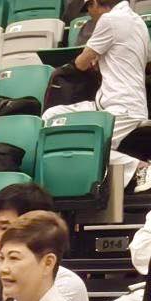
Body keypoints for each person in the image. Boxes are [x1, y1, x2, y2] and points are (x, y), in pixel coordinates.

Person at [44, 0, 151, 193]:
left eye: (88, 8)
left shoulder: (109, 20)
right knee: (52, 116)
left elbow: (82, 63)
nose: (88, 13)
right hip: (105, 104)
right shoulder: (138, 22)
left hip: (123, 107)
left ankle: (141, 167)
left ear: (95, 3)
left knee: (81, 146)